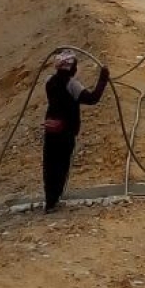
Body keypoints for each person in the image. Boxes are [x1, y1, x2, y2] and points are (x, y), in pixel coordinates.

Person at [42, 51, 109, 211]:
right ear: (71, 68)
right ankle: (55, 198)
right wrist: (103, 79)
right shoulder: (72, 84)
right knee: (61, 164)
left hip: (50, 130)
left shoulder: (49, 81)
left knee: (49, 165)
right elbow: (93, 98)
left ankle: (50, 200)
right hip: (66, 132)